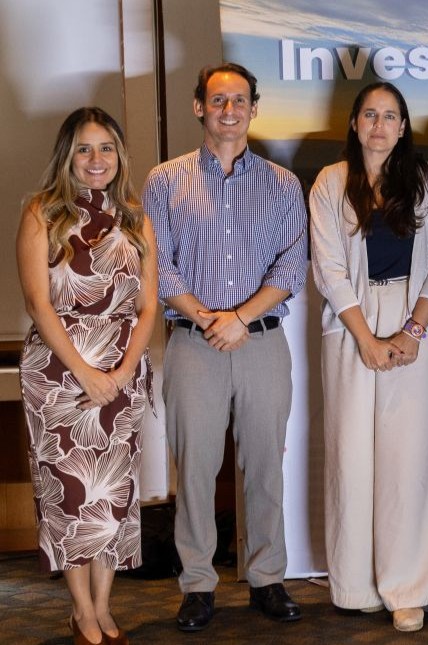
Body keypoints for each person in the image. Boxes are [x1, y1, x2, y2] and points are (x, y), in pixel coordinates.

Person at [144, 63, 308, 632]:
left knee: (265, 465)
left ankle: (267, 579)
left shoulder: (283, 184)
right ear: (200, 107)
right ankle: (197, 585)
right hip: (193, 344)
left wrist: (239, 318)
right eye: (218, 100)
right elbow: (158, 267)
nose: (229, 110)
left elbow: (291, 266)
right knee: (194, 468)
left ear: (254, 108)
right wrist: (209, 319)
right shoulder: (164, 181)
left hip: (262, 341)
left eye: (239, 100)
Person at [308, 81, 428, 633]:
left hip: (416, 323)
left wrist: (413, 330)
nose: (379, 125)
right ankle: (358, 583)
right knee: (352, 456)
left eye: (390, 116)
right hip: (352, 323)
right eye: (369, 115)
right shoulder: (330, 182)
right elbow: (329, 268)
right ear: (354, 123)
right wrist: (366, 340)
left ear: (403, 126)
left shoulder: (425, 179)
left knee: (408, 459)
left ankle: (408, 587)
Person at [18, 107, 156, 645]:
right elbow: (38, 303)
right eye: (83, 148)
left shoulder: (135, 217)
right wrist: (85, 373)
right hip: (59, 376)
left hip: (122, 374)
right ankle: (81, 612)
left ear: (119, 155)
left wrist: (121, 372)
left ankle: (102, 606)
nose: (96, 159)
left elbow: (148, 307)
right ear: (67, 156)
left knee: (112, 498)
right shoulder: (42, 213)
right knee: (71, 496)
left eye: (106, 148)